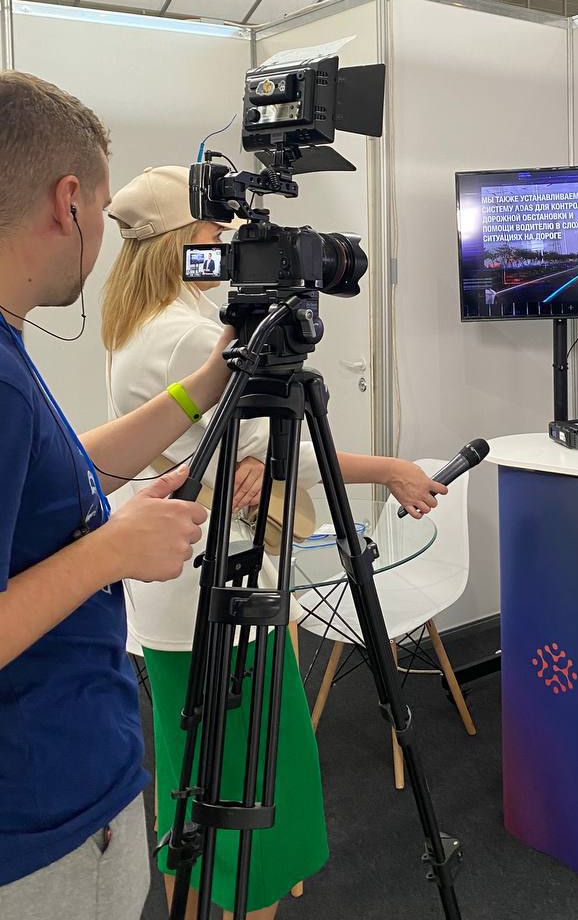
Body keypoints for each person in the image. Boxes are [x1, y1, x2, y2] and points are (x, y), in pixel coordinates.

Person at [101, 165, 447, 920]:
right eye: (216, 233)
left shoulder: (136, 324)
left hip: (171, 596)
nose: (229, 247)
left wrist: (262, 460)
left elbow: (255, 456)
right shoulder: (195, 335)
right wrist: (391, 468)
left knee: (188, 798)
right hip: (225, 594)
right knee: (255, 810)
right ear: (184, 241)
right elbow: (290, 452)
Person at [0, 74, 232, 919]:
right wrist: (112, 550)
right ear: (69, 202)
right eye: (99, 209)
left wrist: (200, 390)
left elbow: (58, 471)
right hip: (43, 816)